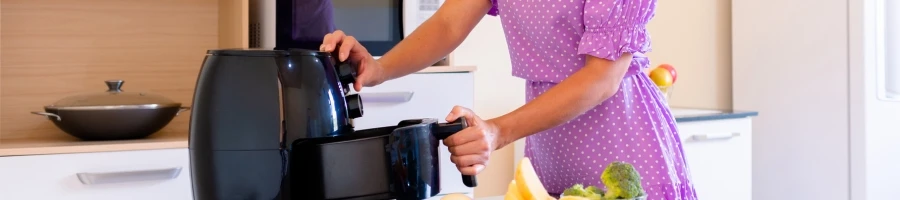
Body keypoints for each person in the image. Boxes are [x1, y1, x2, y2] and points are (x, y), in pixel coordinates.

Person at [320, 0, 697, 199]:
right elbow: (449, 23)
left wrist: (497, 132)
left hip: (623, 141)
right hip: (551, 152)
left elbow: (602, 77)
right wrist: (380, 68)